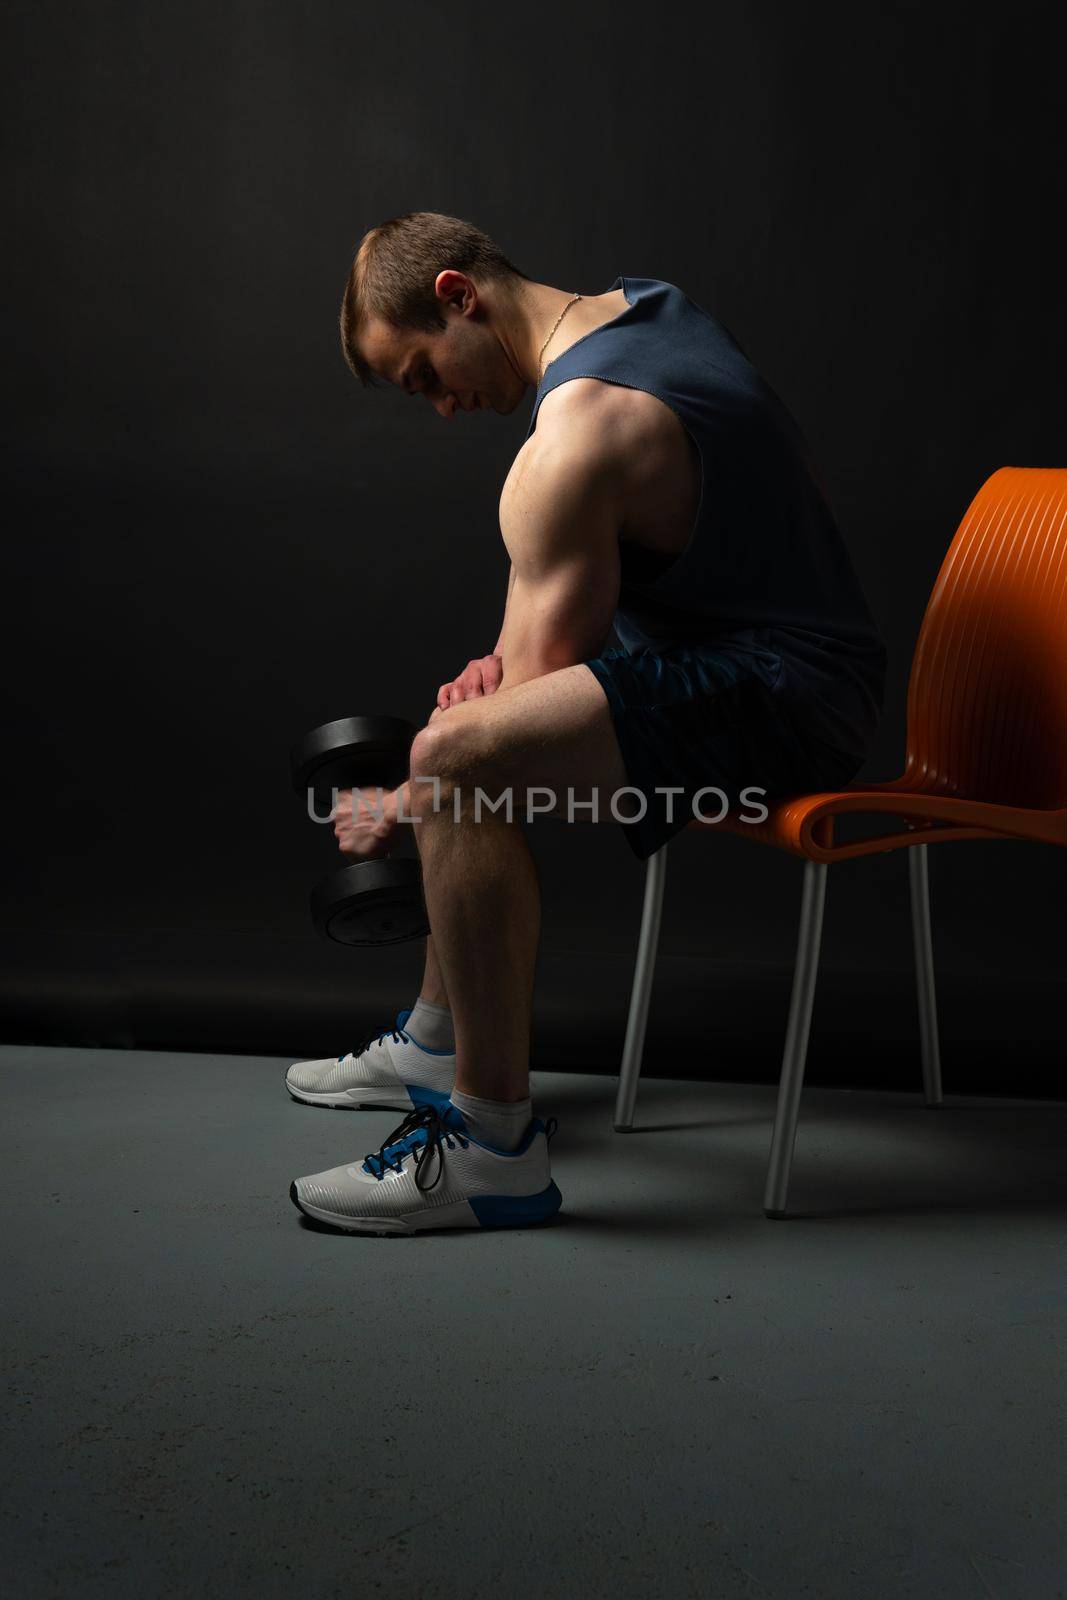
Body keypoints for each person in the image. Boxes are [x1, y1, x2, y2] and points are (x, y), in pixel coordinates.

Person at [286, 211, 886, 1236]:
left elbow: (520, 694)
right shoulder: (640, 308)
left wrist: (395, 798)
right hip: (776, 660)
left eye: (422, 375)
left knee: (453, 757)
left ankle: (490, 1145)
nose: (438, 407)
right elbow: (545, 655)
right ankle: (437, 1037)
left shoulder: (573, 441)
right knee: (463, 740)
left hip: (791, 700)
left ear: (456, 295)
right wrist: (498, 691)